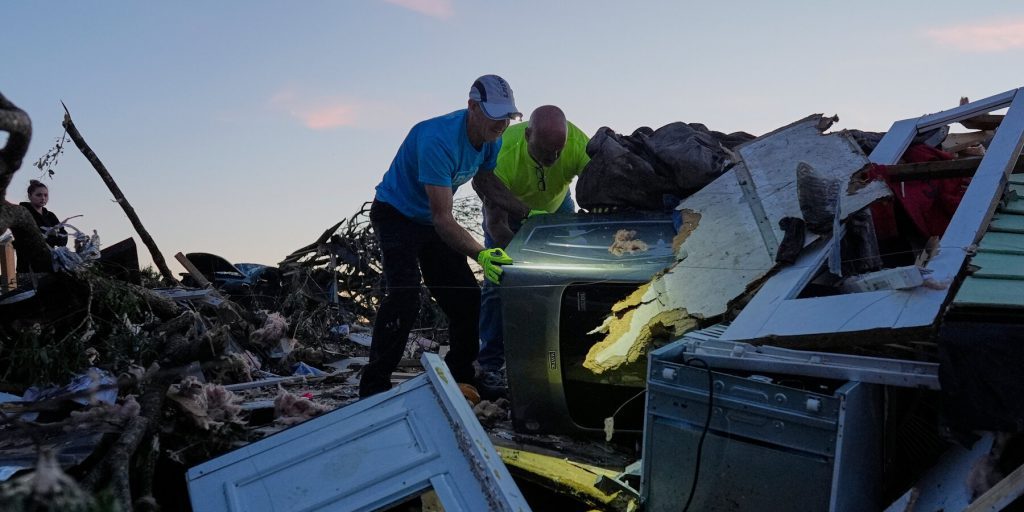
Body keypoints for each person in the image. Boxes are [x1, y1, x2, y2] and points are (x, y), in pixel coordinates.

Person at [359, 74, 526, 399]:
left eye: (507, 117)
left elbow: (485, 181)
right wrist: (481, 254)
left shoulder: (492, 138)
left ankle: (461, 376)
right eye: (495, 116)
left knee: (467, 298)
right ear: (472, 107)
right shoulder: (437, 139)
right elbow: (443, 219)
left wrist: (526, 212)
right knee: (404, 296)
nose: (502, 125)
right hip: (397, 214)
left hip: (430, 220)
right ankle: (374, 388)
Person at [471, 105, 591, 385]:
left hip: (556, 206)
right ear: (527, 136)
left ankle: (566, 352)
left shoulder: (577, 143)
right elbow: (496, 227)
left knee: (568, 276)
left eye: (559, 152)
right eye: (546, 152)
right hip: (508, 213)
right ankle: (490, 362)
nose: (554, 159)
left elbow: (598, 186)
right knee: (498, 279)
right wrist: (530, 258)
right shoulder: (502, 155)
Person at [14, 179, 68, 272]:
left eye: (45, 195)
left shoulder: (50, 216)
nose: (43, 198)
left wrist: (51, 237)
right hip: (28, 266)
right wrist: (51, 236)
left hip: (50, 264)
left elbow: (63, 237)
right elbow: (27, 238)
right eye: (39, 195)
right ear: (30, 196)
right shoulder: (22, 213)